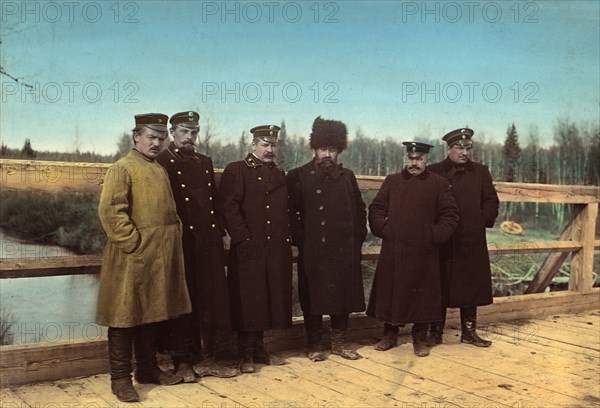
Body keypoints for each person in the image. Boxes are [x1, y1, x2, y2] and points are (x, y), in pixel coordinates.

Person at [97, 113, 191, 402]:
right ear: (136, 136)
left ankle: (148, 369)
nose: (157, 142)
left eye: (162, 138)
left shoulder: (158, 169)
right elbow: (112, 212)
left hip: (159, 256)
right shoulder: (123, 167)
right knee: (124, 316)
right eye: (152, 136)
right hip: (132, 256)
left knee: (151, 313)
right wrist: (134, 242)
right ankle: (120, 379)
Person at [155, 111, 239, 382]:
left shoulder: (204, 162)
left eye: (194, 132)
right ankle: (182, 359)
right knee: (183, 300)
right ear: (172, 132)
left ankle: (212, 357)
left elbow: (213, 200)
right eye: (184, 132)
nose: (190, 137)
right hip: (180, 242)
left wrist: (225, 231)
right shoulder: (161, 161)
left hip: (208, 241)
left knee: (213, 298)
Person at [367, 142, 459, 357]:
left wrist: (434, 235)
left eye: (419, 159)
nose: (414, 163)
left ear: (426, 159)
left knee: (423, 295)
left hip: (424, 250)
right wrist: (385, 229)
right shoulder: (392, 181)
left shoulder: (439, 183)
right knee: (392, 292)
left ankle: (420, 338)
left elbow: (450, 215)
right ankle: (389, 335)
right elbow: (376, 208)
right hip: (395, 248)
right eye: (411, 158)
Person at [287, 116, 367, 362]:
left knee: (342, 297)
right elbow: (291, 212)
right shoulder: (299, 175)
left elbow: (359, 208)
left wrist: (356, 237)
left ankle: (339, 343)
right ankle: (314, 345)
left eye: (332, 150)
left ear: (338, 151)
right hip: (314, 248)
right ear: (315, 149)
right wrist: (301, 239)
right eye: (323, 149)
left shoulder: (347, 176)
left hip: (344, 248)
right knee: (313, 297)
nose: (326, 155)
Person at [219, 125, 293, 373]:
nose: (269, 149)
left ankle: (260, 349)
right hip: (248, 247)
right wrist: (244, 239)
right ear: (253, 145)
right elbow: (229, 207)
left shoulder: (279, 173)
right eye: (264, 144)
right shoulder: (237, 170)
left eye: (273, 145)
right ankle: (246, 354)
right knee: (248, 300)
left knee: (267, 298)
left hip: (273, 248)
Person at [427, 128, 500, 348]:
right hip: (442, 239)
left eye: (468, 148)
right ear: (448, 149)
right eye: (459, 147)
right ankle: (435, 332)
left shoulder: (480, 171)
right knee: (438, 283)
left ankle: (469, 332)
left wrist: (481, 220)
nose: (464, 152)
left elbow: (491, 200)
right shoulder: (434, 171)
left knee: (471, 284)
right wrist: (434, 230)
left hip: (470, 238)